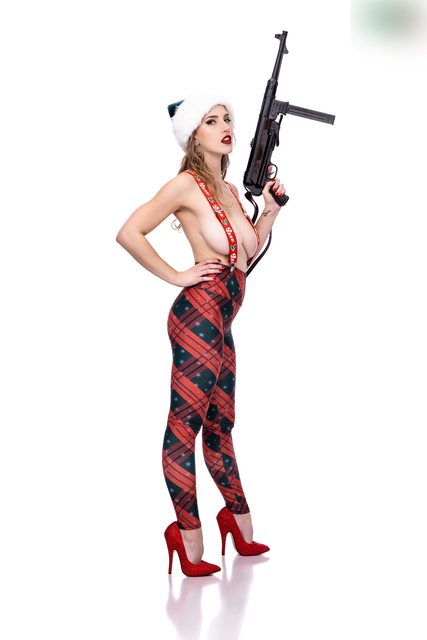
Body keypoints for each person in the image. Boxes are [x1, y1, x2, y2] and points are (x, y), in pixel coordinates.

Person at [115, 89, 286, 576]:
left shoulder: (228, 191)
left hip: (222, 321)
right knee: (183, 429)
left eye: (227, 118)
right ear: (193, 135)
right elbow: (128, 232)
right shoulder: (185, 186)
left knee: (220, 427)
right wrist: (177, 275)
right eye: (211, 121)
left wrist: (271, 210)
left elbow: (245, 255)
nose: (225, 126)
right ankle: (187, 538)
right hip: (198, 316)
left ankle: (239, 527)